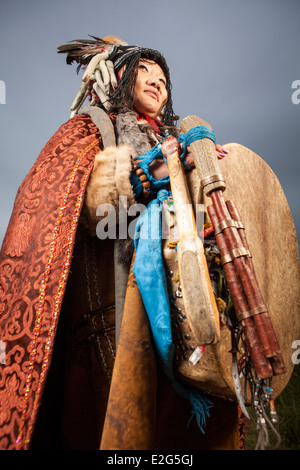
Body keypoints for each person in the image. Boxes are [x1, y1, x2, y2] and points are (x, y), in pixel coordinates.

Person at [0, 36, 241, 451]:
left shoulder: (178, 131)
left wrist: (202, 165)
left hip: (186, 268)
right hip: (112, 297)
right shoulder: (92, 128)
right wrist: (141, 175)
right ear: (124, 78)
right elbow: (82, 204)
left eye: (164, 78)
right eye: (145, 71)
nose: (157, 82)